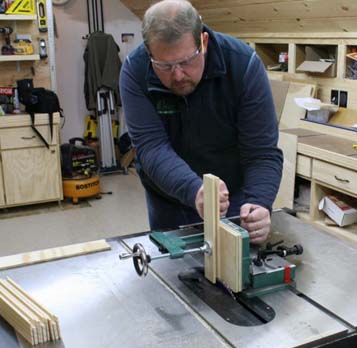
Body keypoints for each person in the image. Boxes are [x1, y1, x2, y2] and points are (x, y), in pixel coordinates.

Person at [120, 0, 283, 244]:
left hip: (232, 194)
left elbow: (262, 151)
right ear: (149, 51)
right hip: (169, 197)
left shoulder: (243, 64)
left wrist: (259, 202)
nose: (177, 76)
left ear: (203, 42)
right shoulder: (135, 70)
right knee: (173, 266)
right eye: (164, 66)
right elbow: (151, 147)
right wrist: (193, 189)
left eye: (186, 62)